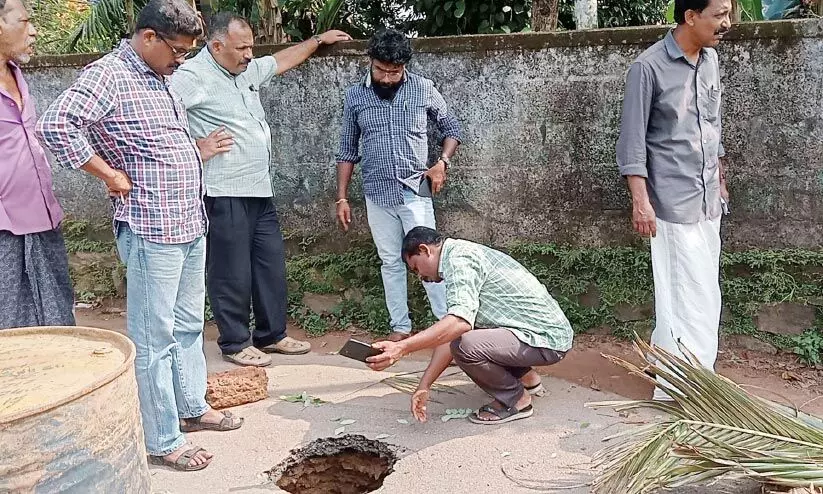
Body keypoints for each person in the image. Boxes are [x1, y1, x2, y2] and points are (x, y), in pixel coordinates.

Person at [37, 0, 241, 472]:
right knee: (154, 338)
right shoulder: (109, 74)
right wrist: (107, 173)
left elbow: (161, 145)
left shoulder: (159, 76)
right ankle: (161, 439)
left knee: (189, 326)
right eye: (178, 51)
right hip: (152, 227)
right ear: (149, 37)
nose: (182, 61)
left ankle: (191, 408)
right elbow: (56, 125)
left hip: (188, 221)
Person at [169, 13, 350, 367]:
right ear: (216, 45)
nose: (250, 54)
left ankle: (271, 335)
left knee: (269, 266)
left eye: (251, 46)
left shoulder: (245, 69)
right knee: (230, 271)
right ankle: (235, 341)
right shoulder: (190, 77)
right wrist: (195, 147)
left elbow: (279, 60)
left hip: (258, 189)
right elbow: (158, 118)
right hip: (222, 191)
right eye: (243, 47)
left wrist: (317, 40)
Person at [616, 0, 732, 401]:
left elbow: (712, 125)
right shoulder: (647, 68)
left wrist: (721, 178)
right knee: (685, 291)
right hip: (670, 200)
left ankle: (671, 365)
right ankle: (687, 387)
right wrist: (640, 202)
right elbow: (632, 142)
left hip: (707, 197)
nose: (726, 23)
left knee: (700, 288)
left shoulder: (711, 61)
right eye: (719, 14)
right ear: (690, 16)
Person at [367, 227, 574, 425]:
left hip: (547, 340)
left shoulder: (459, 261)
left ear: (424, 250)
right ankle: (528, 379)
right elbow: (450, 331)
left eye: (416, 268)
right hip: (542, 334)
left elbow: (457, 326)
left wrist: (401, 348)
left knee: (465, 345)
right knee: (467, 335)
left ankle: (517, 400)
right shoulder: (459, 254)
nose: (420, 276)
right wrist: (424, 386)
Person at [335, 28, 461, 343]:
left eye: (395, 72)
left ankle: (448, 332)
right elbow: (347, 150)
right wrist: (342, 198)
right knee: (390, 260)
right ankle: (400, 328)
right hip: (377, 194)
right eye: (381, 71)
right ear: (370, 62)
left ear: (404, 66)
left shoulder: (423, 89)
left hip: (416, 192)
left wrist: (441, 163)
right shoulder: (355, 97)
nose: (388, 78)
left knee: (431, 259)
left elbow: (451, 128)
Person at [0, 0, 75, 329]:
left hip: (43, 218)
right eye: (25, 22)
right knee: (11, 325)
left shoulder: (18, 76)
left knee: (57, 313)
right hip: (5, 227)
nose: (34, 31)